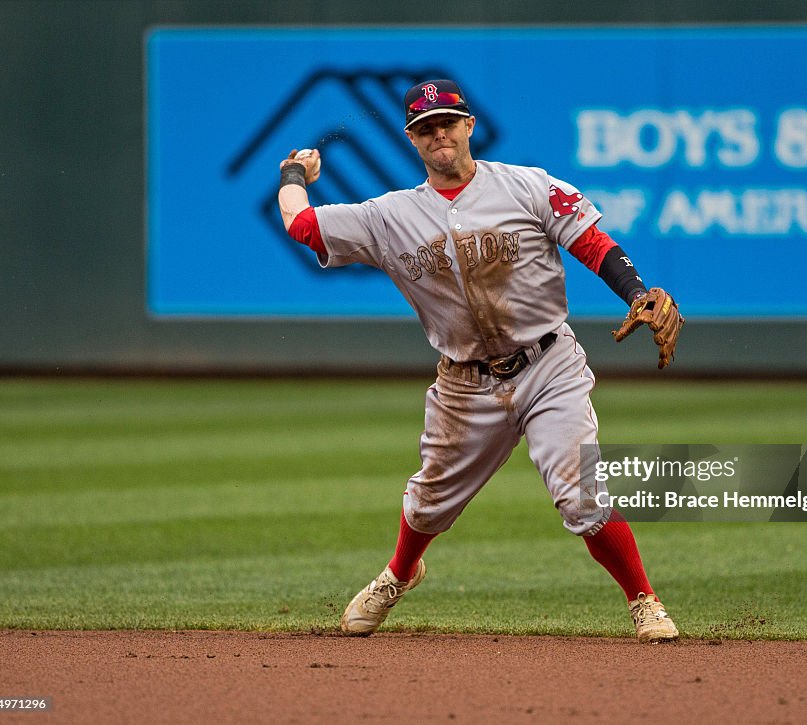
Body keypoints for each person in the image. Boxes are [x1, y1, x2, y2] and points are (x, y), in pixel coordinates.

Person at [277, 79, 683, 643]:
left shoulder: (526, 185)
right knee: (426, 506)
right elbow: (302, 226)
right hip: (465, 383)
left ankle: (645, 601)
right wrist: (294, 176)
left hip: (548, 367)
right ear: (412, 141)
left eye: (446, 121)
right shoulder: (390, 216)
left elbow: (591, 241)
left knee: (581, 497)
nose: (438, 133)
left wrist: (635, 291)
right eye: (425, 128)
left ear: (468, 124)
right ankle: (399, 573)